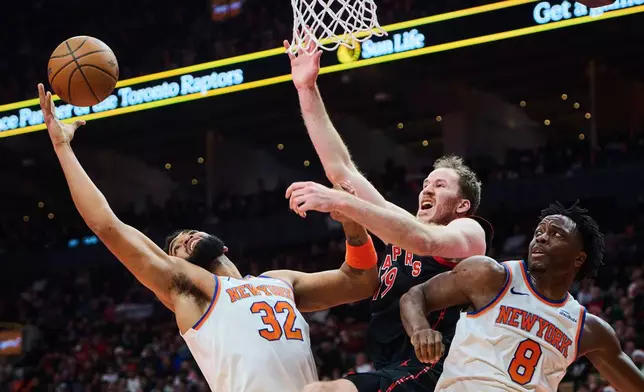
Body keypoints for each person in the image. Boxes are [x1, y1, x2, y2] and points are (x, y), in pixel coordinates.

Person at [37, 83, 380, 392]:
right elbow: (107, 226)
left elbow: (360, 281)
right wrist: (62, 147)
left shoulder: (280, 281)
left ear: (223, 245)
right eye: (176, 247)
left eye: (190, 233)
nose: (185, 238)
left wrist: (351, 222)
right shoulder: (189, 287)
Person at [284, 42, 492, 392]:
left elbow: (424, 241)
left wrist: (343, 203)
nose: (426, 190)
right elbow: (342, 170)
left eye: (439, 186)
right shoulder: (400, 227)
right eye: (425, 183)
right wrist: (307, 88)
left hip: (440, 369)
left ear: (462, 205)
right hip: (393, 366)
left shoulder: (467, 232)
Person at [400, 202, 644, 392]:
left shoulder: (587, 329)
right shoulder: (490, 276)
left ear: (579, 258)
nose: (541, 237)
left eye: (556, 234)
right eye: (539, 231)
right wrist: (420, 329)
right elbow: (415, 295)